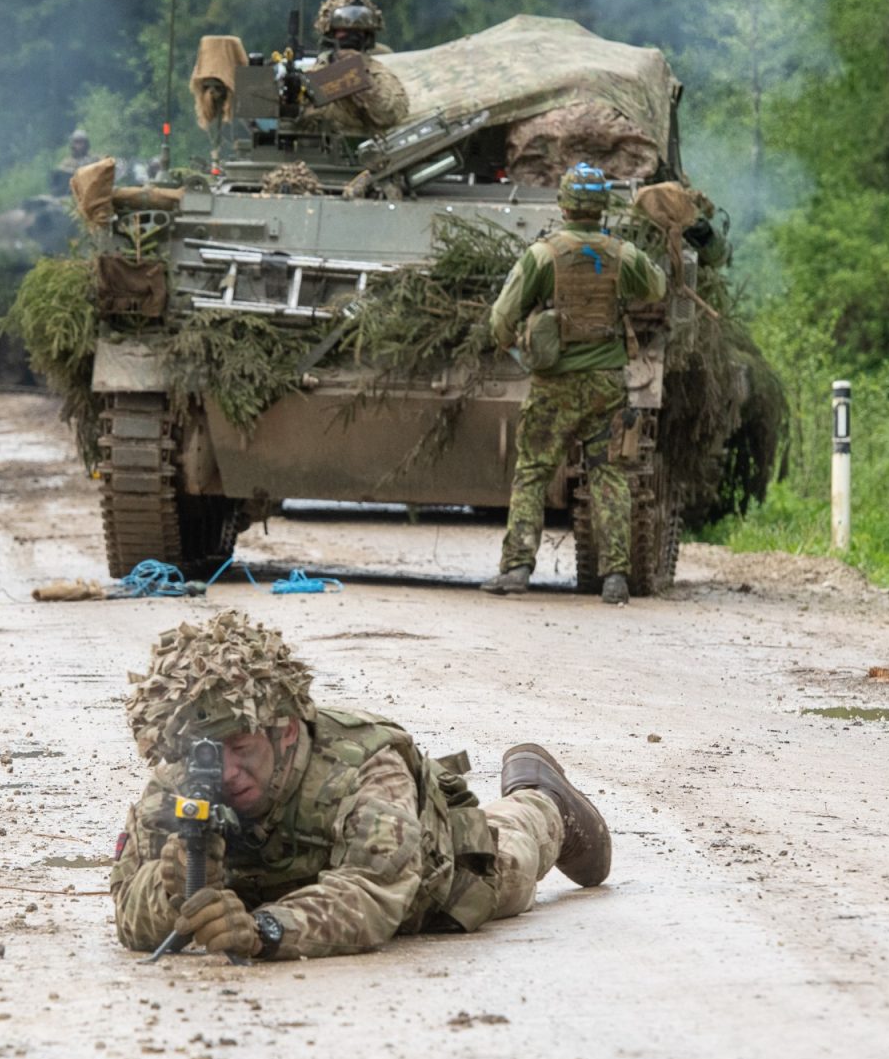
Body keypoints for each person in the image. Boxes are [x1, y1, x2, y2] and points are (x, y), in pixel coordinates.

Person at [110, 611, 612, 960]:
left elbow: (372, 894)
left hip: (431, 883)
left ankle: (542, 795)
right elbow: (128, 911)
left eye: (241, 748)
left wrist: (267, 930)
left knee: (513, 854)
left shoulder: (363, 765)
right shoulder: (179, 780)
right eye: (207, 753)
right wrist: (173, 889)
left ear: (286, 731)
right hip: (296, 895)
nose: (224, 773)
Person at [481, 163, 669, 605]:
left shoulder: (542, 255)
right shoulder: (622, 253)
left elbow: (501, 319)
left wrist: (517, 351)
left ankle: (517, 568)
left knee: (533, 471)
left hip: (554, 384)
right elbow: (658, 288)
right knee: (610, 475)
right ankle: (615, 577)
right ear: (602, 206)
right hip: (606, 385)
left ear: (563, 205)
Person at [299, 0, 408, 139]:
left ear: (367, 34)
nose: (351, 35)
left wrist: (360, 78)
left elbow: (389, 114)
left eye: (357, 30)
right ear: (331, 32)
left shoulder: (379, 74)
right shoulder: (313, 75)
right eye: (343, 29)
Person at [50, 128, 95, 196]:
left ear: (86, 144)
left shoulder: (94, 160)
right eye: (76, 142)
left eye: (81, 142)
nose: (78, 145)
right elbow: (60, 178)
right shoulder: (67, 163)